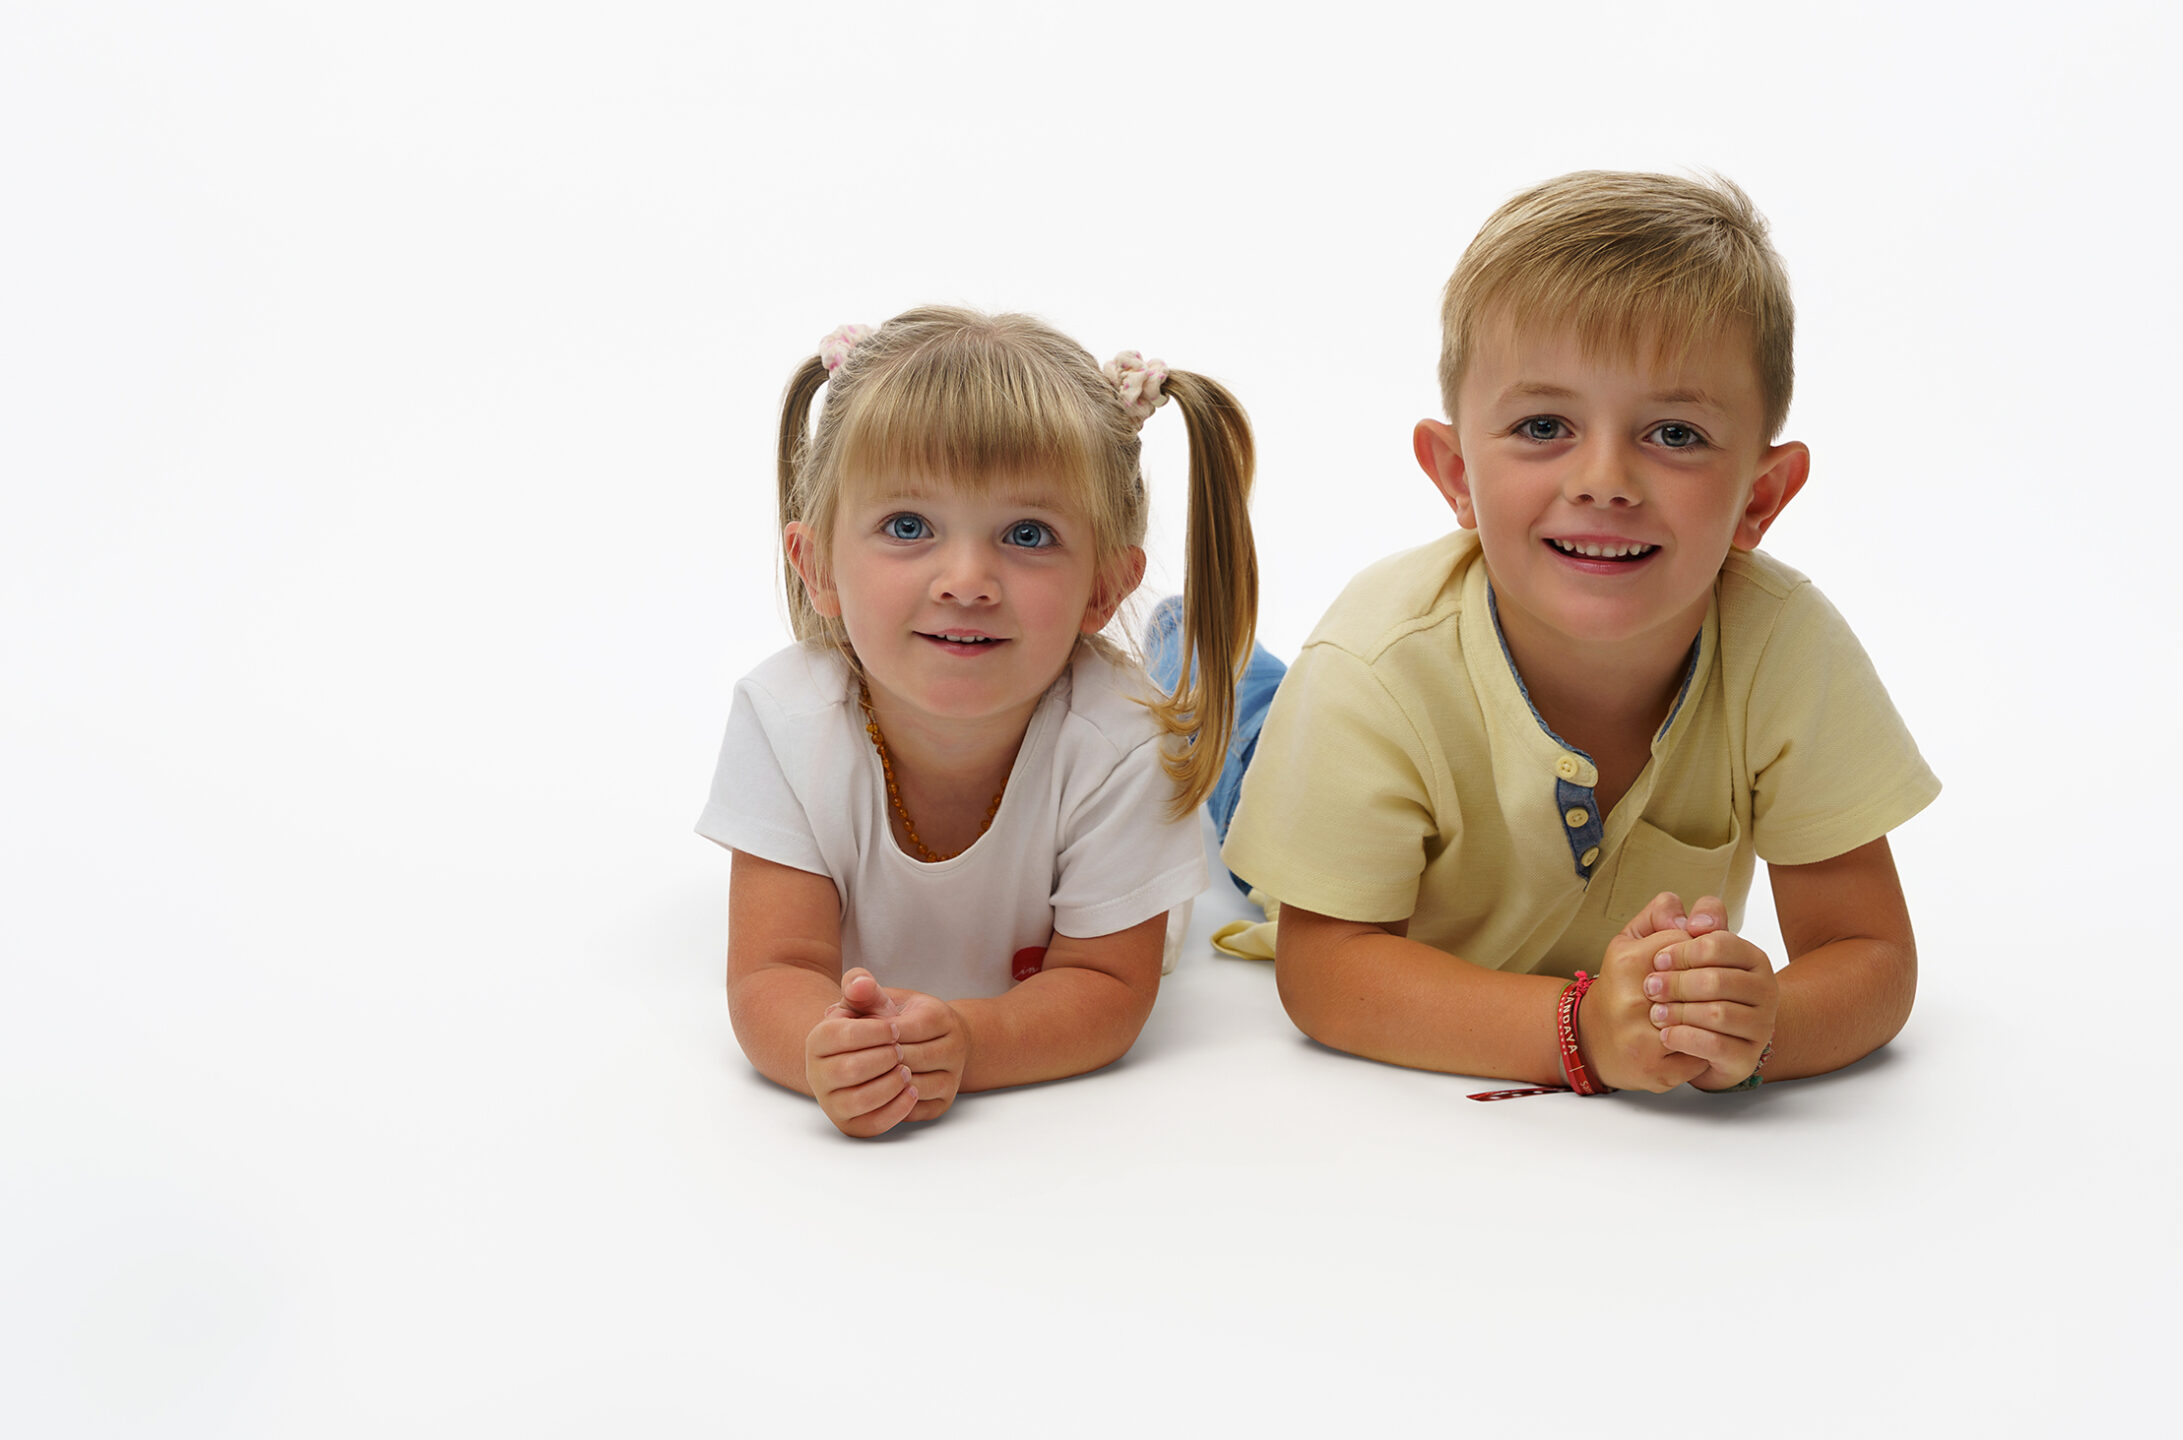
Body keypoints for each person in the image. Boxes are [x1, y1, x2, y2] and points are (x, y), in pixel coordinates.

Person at [1217, 171, 1940, 1097]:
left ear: (1759, 497)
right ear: (1457, 475)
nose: (1605, 479)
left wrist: (1764, 1028)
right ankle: (1200, 650)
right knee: (1230, 731)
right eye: (1545, 424)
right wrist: (1578, 1032)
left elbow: (1867, 950)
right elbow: (1328, 974)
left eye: (1674, 434)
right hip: (1305, 751)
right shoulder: (1374, 664)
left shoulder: (1785, 649)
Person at [699, 307, 1258, 1138]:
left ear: (1103, 588)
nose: (966, 580)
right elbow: (774, 969)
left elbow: (1106, 987)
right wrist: (825, 1049)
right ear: (816, 565)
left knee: (1246, 764)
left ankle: (1191, 645)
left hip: (1170, 726)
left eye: (1026, 534)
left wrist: (972, 1041)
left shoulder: (1128, 741)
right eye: (908, 526)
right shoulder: (784, 719)